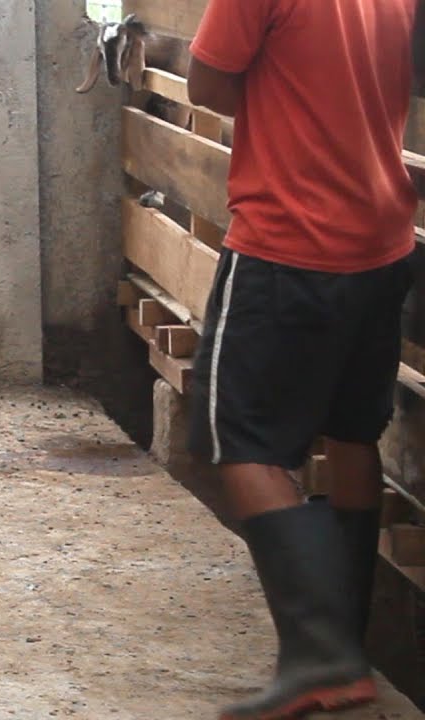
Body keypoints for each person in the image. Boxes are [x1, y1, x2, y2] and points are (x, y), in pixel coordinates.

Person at [184, 0, 418, 717]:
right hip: (382, 241)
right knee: (352, 432)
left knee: (236, 439)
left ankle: (322, 656)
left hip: (289, 246)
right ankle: (343, 643)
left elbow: (209, 83)